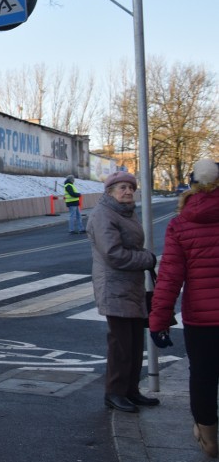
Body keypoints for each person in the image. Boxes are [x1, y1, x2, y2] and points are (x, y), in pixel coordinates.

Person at [149, 159, 219, 458]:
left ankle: (208, 437)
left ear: (191, 186)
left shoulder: (180, 223)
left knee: (203, 376)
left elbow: (170, 278)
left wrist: (159, 320)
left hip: (201, 319)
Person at [86, 170, 159, 413]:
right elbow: (113, 254)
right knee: (121, 344)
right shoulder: (103, 215)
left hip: (132, 287)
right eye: (122, 188)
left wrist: (144, 259)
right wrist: (146, 259)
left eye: (131, 187)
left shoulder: (125, 212)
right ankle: (114, 393)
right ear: (110, 192)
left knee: (136, 343)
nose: (128, 191)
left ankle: (131, 390)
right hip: (114, 286)